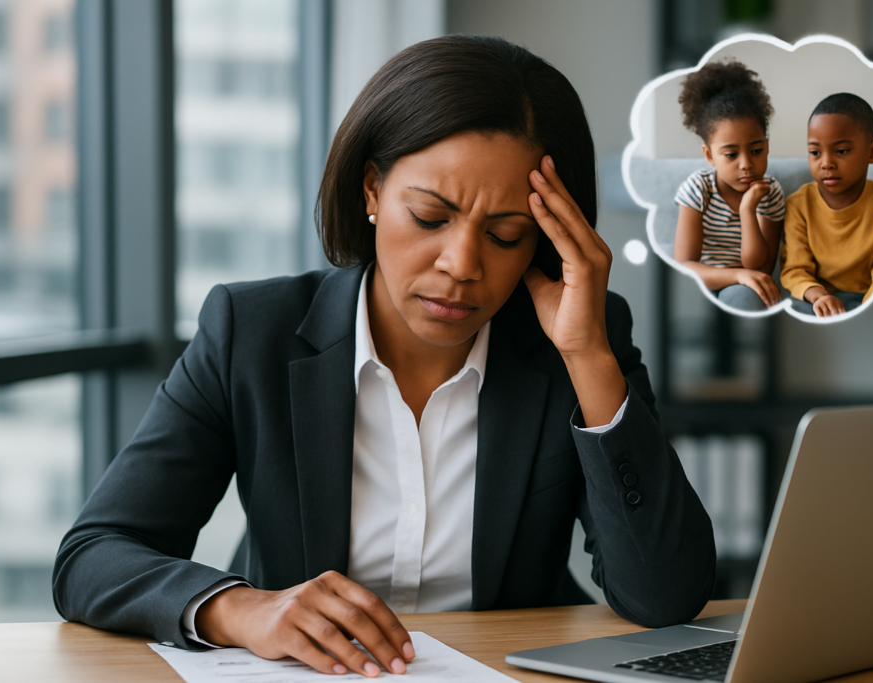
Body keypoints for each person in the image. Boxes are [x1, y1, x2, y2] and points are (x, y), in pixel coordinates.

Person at [52, 35, 716, 678]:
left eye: (507, 234)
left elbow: (664, 596)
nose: (462, 266)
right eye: (431, 216)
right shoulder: (250, 331)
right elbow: (93, 555)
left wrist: (588, 354)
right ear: (371, 190)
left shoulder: (578, 343)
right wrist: (243, 608)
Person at [780, 93, 873, 317]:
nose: (826, 162)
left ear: (872, 152)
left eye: (841, 151)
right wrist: (818, 296)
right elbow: (795, 270)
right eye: (815, 153)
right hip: (814, 298)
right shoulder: (798, 205)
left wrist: (864, 312)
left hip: (866, 300)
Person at [673, 58, 786, 312]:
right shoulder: (698, 188)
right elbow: (686, 265)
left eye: (756, 150)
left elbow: (760, 269)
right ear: (709, 155)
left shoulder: (770, 193)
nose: (746, 164)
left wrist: (748, 210)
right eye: (731, 155)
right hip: (708, 281)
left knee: (743, 297)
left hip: (747, 288)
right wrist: (737, 276)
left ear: (766, 146)